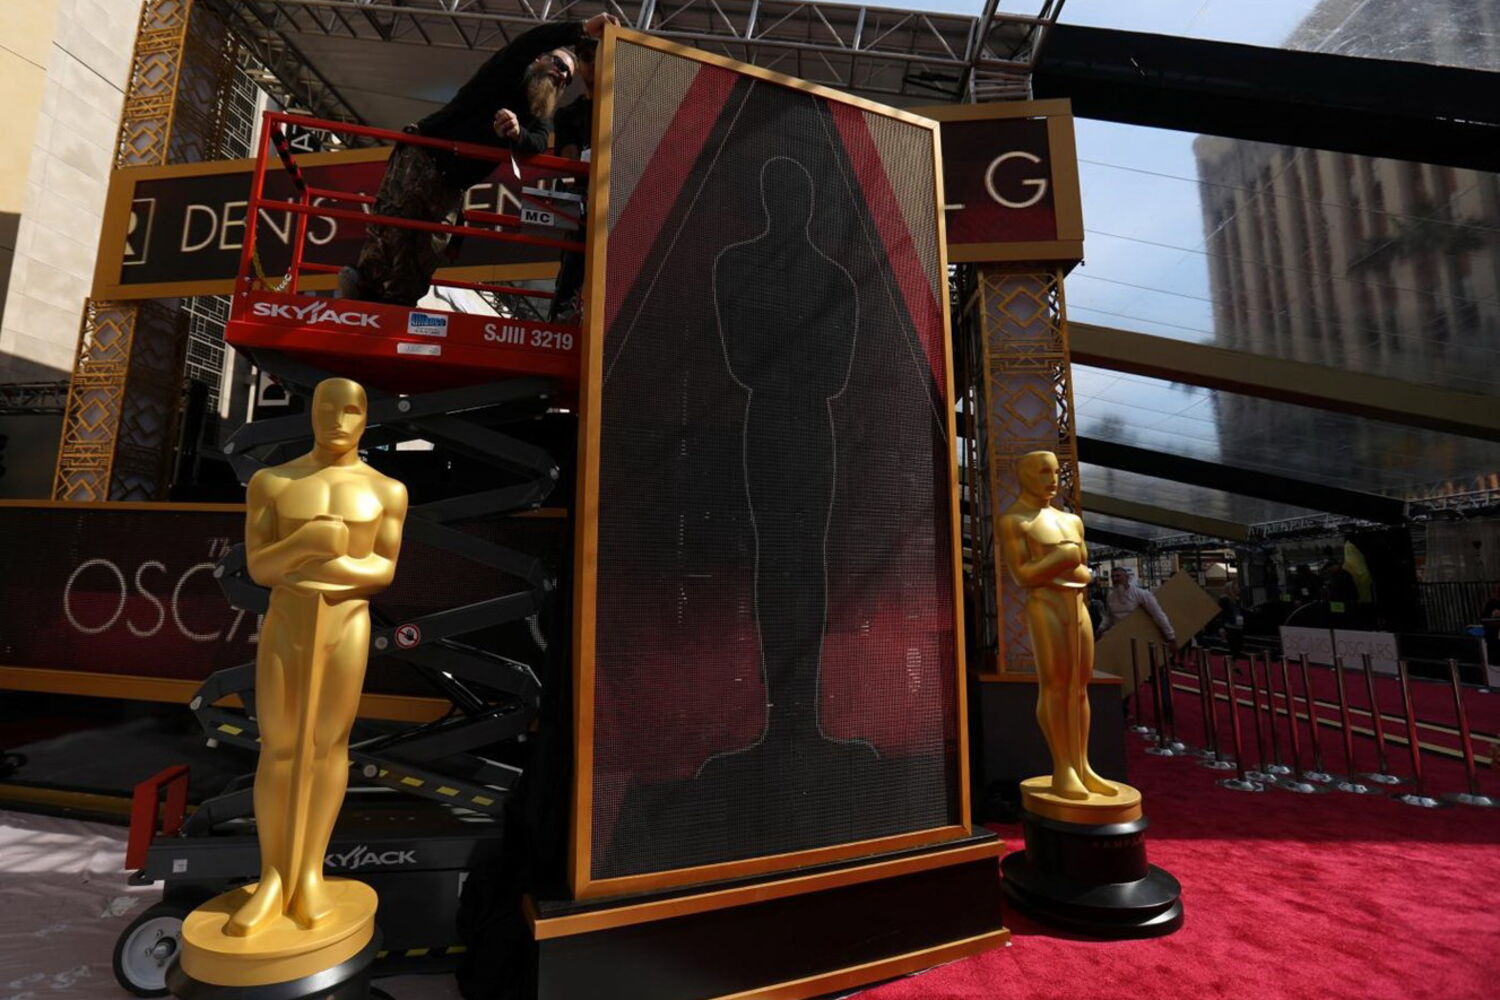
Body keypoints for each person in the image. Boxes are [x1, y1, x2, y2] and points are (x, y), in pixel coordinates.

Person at [230, 378, 407, 934]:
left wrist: (329, 564)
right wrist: (306, 544)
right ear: (310, 413)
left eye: (351, 410)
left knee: (329, 745)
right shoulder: (274, 482)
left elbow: (382, 570)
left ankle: (308, 872)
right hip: (288, 622)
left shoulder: (387, 491)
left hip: (347, 623)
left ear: (366, 417)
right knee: (280, 744)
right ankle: (272, 876)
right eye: (327, 408)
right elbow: (260, 566)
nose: (337, 420)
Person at [339, 13, 617, 306]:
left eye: (568, 77)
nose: (561, 75)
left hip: (452, 186)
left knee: (428, 251)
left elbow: (537, 142)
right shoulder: (505, 73)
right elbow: (528, 42)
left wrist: (517, 132)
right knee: (392, 232)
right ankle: (362, 289)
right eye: (558, 64)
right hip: (423, 159)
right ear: (539, 59)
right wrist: (581, 28)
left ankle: (396, 305)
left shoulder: (538, 113)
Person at [998, 451, 1116, 800]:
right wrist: (1063, 558)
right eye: (1043, 472)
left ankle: (1082, 764)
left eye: (1055, 472)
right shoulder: (1015, 520)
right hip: (1045, 606)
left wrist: (1065, 565)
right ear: (1024, 476)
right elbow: (1023, 575)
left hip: (1076, 605)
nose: (1052, 480)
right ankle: (1063, 766)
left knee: (1079, 687)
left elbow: (1084, 571)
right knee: (1055, 686)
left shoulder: (1071, 521)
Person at [548, 36, 596, 324]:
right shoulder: (568, 114)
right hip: (583, 201)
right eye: (586, 58)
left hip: (624, 198)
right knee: (572, 264)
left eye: (599, 56)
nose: (593, 64)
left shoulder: (631, 107)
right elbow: (571, 166)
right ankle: (560, 317)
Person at [1101, 566, 1177, 660]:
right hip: (1120, 639)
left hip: (1139, 638)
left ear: (1127, 577)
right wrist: (1101, 628)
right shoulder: (1110, 597)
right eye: (1112, 577)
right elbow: (1108, 617)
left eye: (1118, 576)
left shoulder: (1141, 594)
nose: (1115, 579)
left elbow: (1158, 614)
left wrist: (1171, 637)